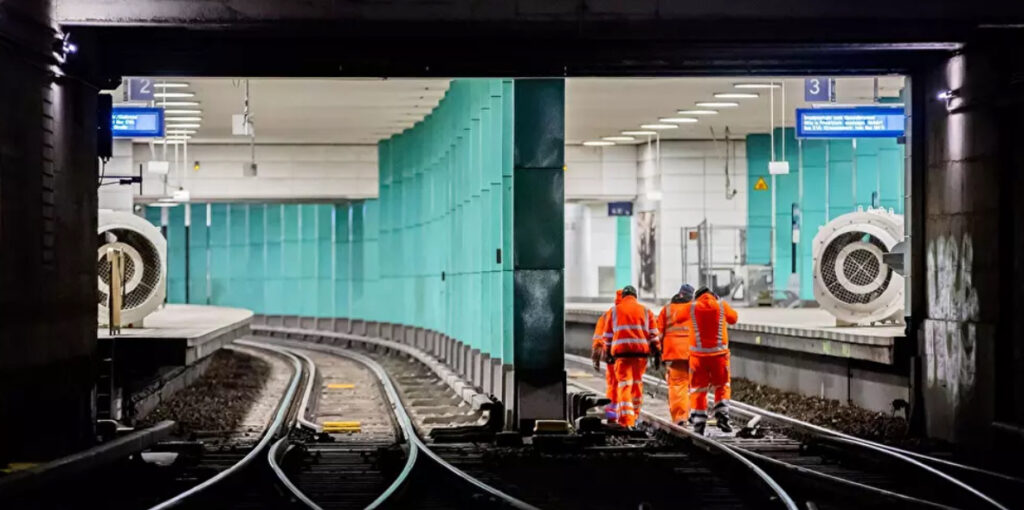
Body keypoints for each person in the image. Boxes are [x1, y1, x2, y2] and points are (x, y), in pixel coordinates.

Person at [602, 285, 660, 427]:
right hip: (640, 355)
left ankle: (626, 420)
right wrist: (657, 352)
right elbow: (653, 335)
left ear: (623, 297)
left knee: (624, 385)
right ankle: (635, 414)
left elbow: (607, 336)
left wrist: (608, 352)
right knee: (637, 384)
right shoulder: (646, 311)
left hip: (622, 355)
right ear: (635, 296)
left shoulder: (614, 311)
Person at [688, 286, 738, 435]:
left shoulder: (692, 308)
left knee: (698, 389)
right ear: (713, 295)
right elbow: (734, 319)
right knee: (722, 386)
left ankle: (698, 422)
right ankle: (722, 415)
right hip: (719, 357)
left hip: (698, 359)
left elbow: (677, 319)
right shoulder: (721, 305)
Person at [657, 284, 695, 426]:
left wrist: (657, 353)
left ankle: (680, 417)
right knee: (694, 386)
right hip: (694, 353)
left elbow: (658, 334)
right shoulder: (695, 310)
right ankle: (693, 415)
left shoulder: (666, 310)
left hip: (674, 354)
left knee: (678, 385)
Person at [592, 290, 624, 422]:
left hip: (611, 355)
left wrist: (596, 353)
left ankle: (612, 413)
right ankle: (627, 413)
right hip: (631, 356)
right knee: (629, 384)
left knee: (613, 383)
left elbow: (599, 336)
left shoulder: (607, 315)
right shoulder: (636, 312)